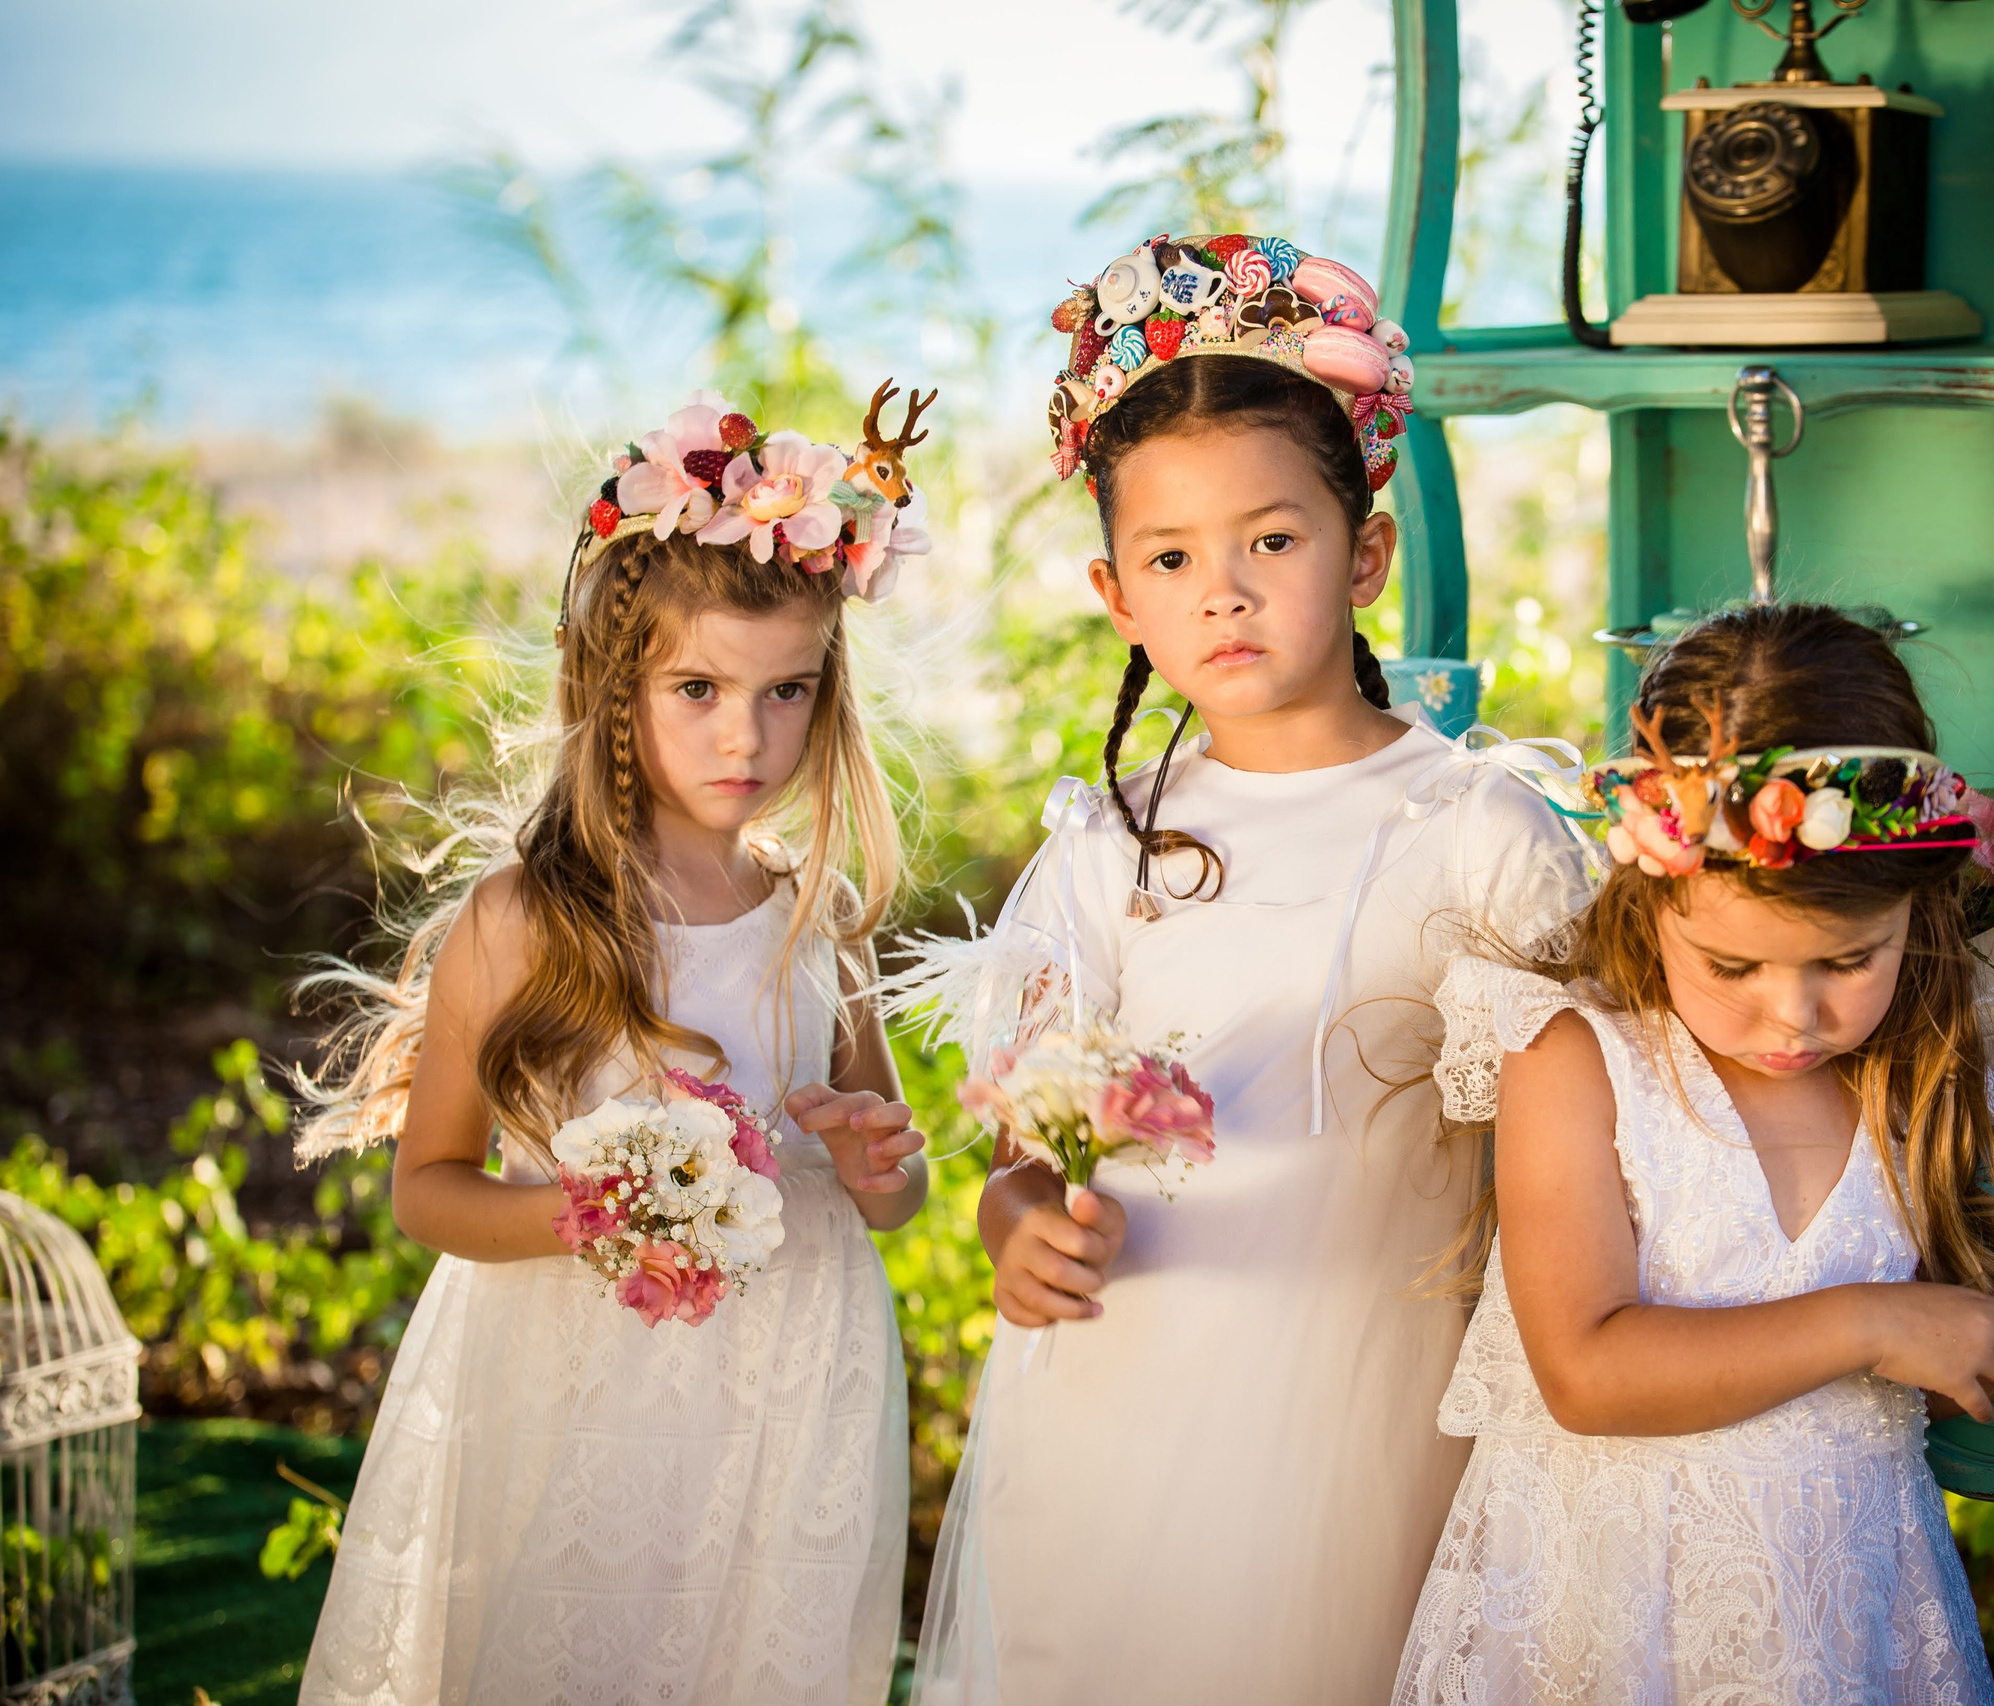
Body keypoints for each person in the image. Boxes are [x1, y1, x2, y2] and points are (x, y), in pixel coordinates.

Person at [890, 234, 1594, 1705]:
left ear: (1367, 553)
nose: (1225, 590)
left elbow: (1595, 1156)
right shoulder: (1107, 851)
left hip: (1366, 1422)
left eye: (1272, 540)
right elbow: (1026, 1150)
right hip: (1119, 1413)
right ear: (1115, 592)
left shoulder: (1477, 832)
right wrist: (1016, 1222)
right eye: (1171, 557)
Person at [293, 392, 935, 1705]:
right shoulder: (527, 921)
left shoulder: (825, 922)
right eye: (697, 688)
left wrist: (880, 1160)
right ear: (616, 684)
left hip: (798, 1367)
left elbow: (892, 1196)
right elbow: (431, 1187)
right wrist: (596, 1215)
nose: (744, 736)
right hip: (586, 1372)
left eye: (785, 691)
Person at [1395, 604, 1994, 1705]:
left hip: (1842, 1616)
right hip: (1613, 1618)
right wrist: (1866, 1321)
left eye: (1849, 958)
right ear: (1653, 895)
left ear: (1917, 908)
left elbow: (1924, 1329)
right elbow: (1586, 1371)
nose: (1791, 1016)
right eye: (1733, 965)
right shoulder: (1576, 1061)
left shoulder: (1915, 1071)